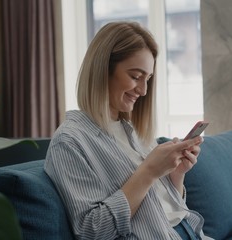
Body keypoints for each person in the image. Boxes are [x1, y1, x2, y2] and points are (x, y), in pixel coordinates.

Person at [44, 21, 211, 240]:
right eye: (135, 76)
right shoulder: (69, 142)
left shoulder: (132, 130)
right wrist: (148, 171)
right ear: (103, 70)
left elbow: (167, 209)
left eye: (147, 79)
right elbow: (91, 230)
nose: (143, 91)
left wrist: (175, 176)